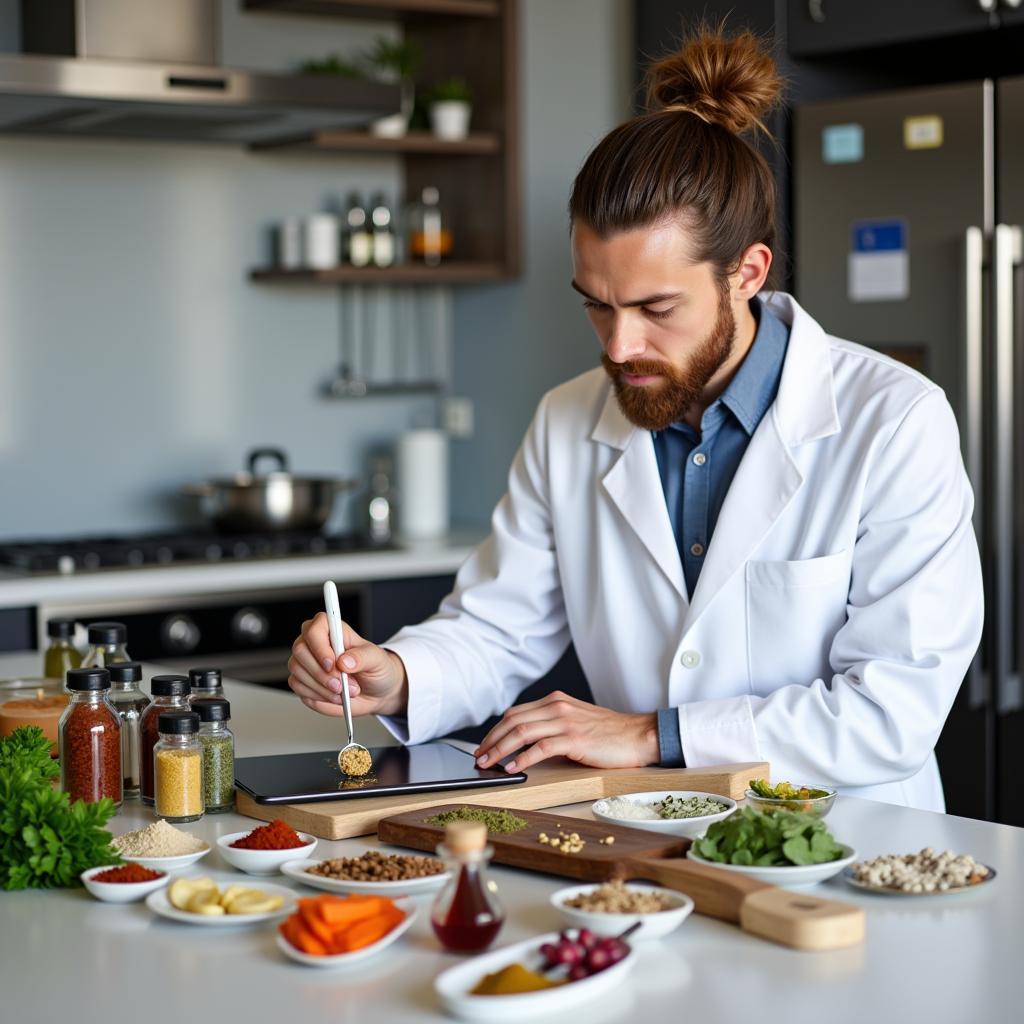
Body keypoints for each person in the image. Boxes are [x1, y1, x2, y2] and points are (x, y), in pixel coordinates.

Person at [288, 27, 983, 811]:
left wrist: (658, 735)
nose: (620, 346)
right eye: (597, 306)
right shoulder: (565, 421)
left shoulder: (893, 421)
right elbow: (497, 626)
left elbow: (893, 713)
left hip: (850, 847)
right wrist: (398, 674)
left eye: (657, 308)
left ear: (746, 273)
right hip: (649, 839)